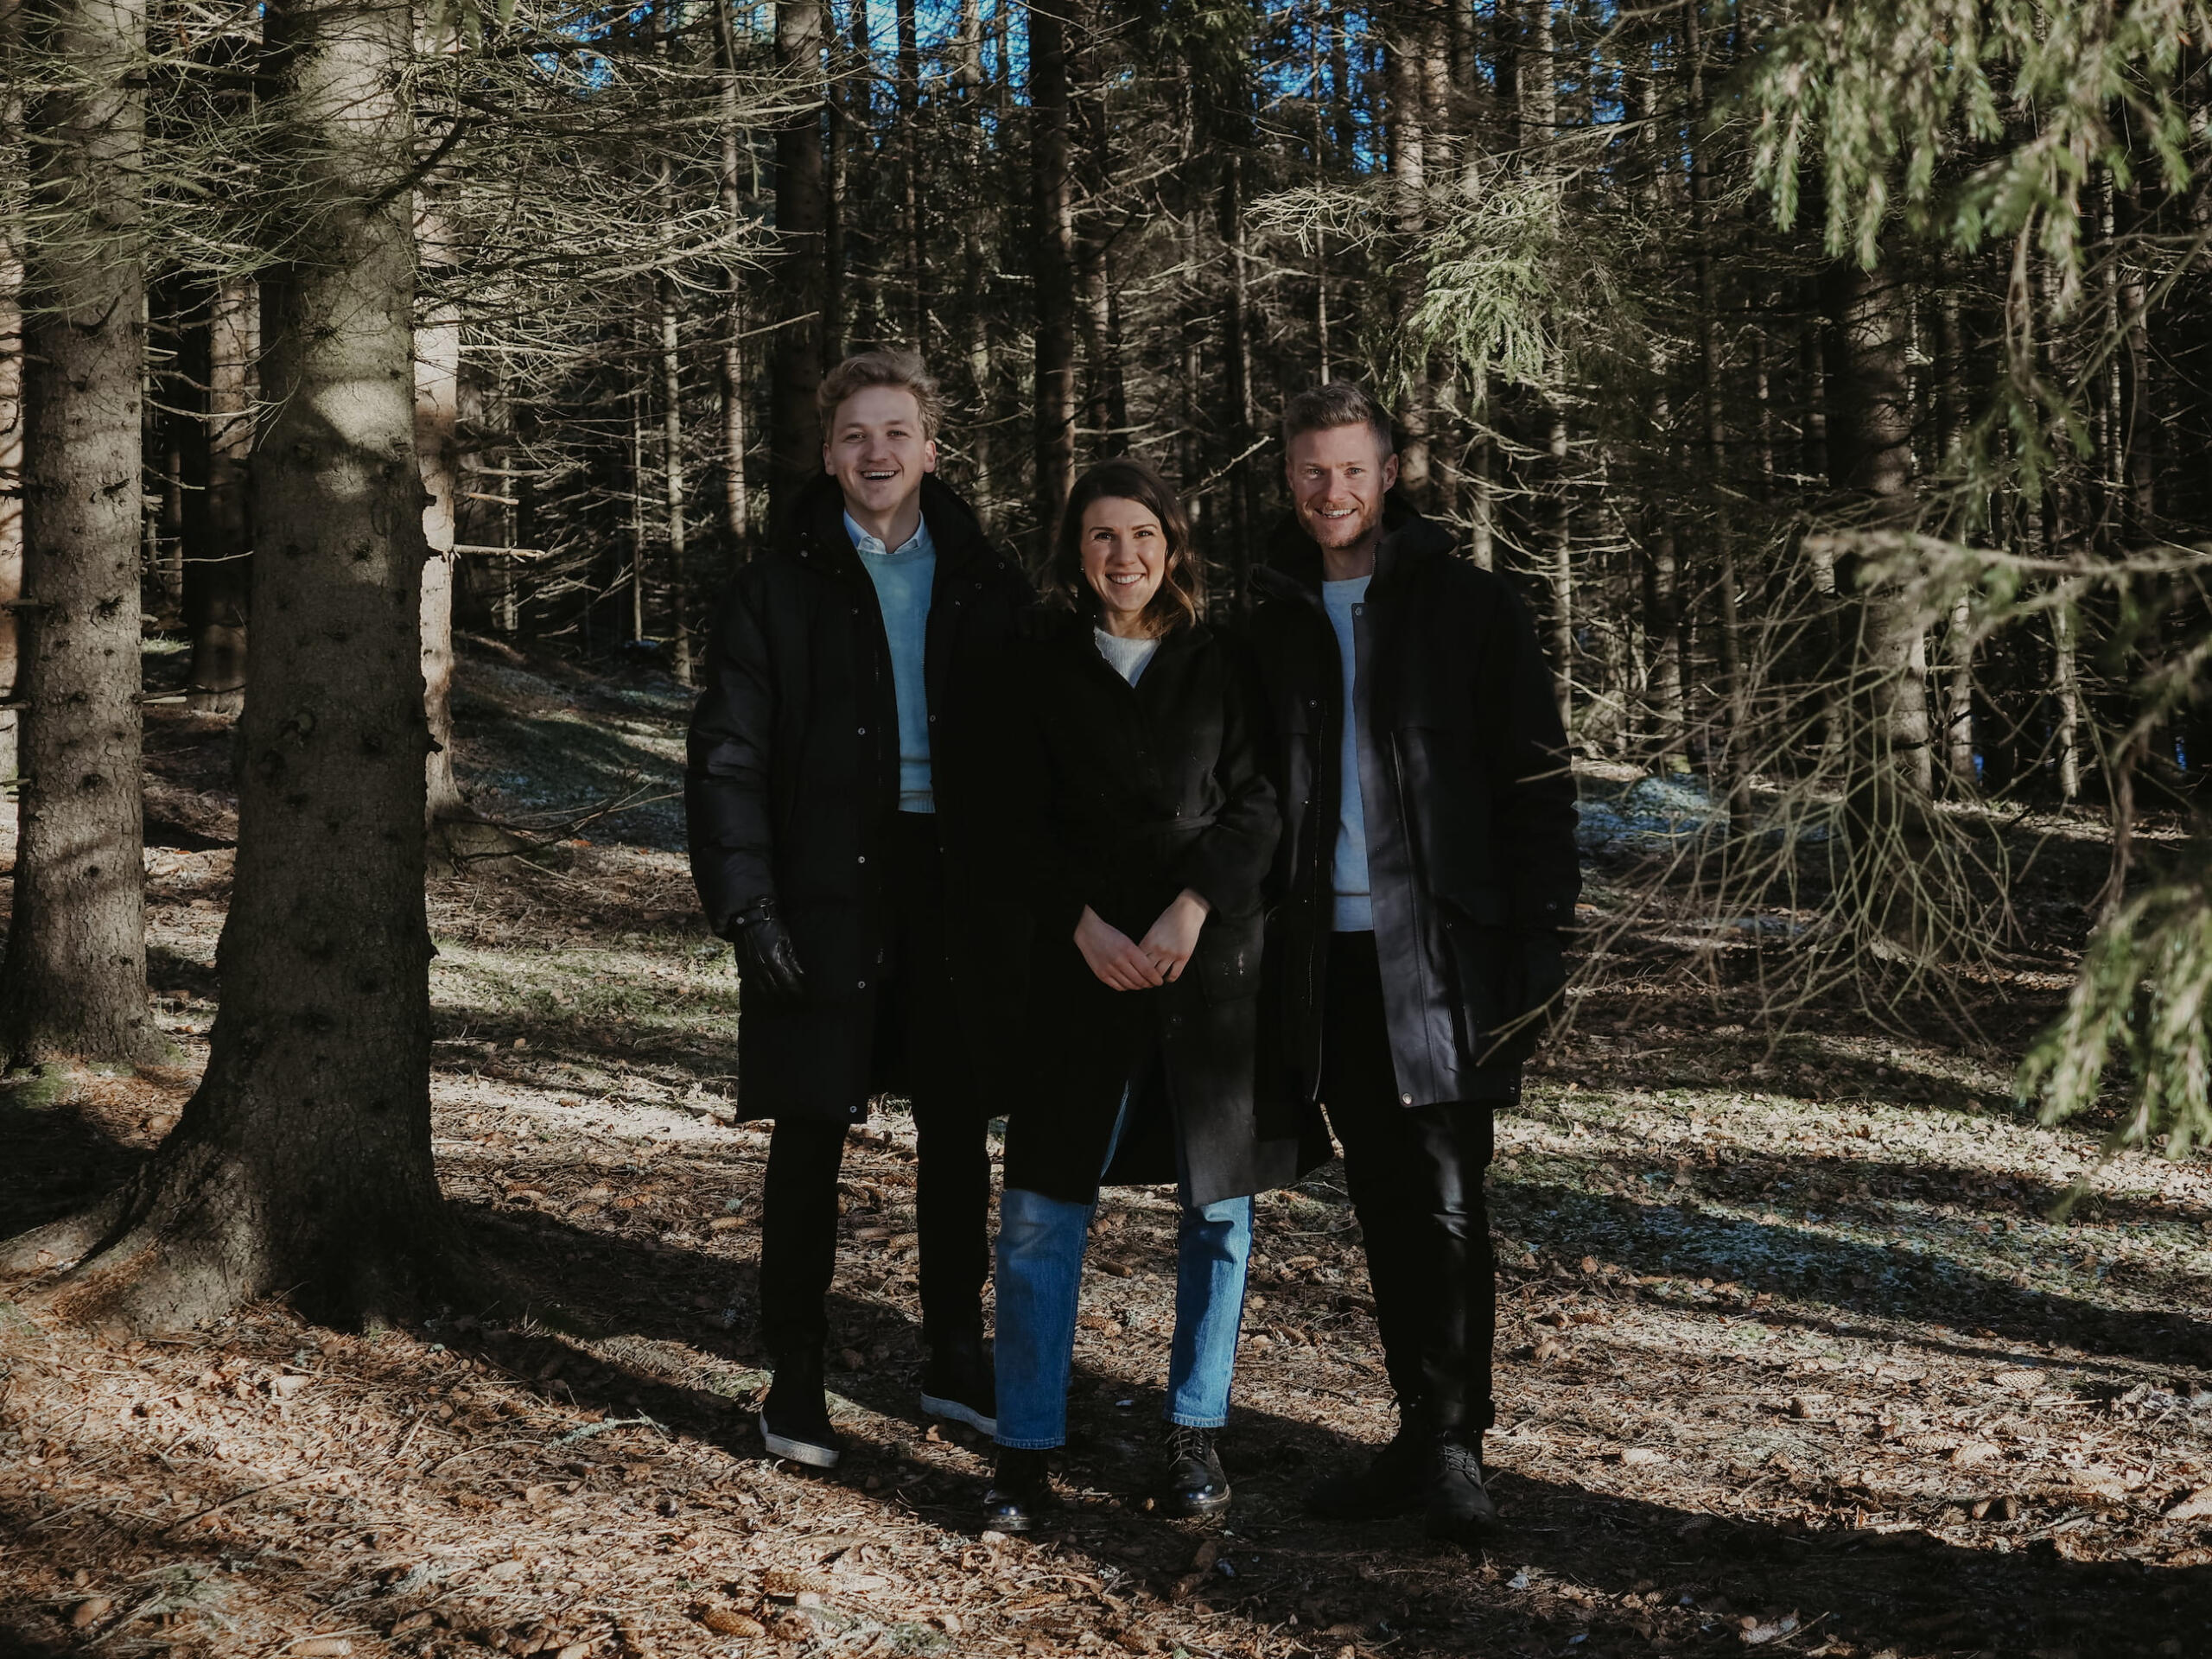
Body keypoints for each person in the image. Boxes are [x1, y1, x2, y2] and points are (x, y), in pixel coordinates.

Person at [1238, 382, 1580, 1541]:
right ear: (1288, 477)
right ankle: (1415, 1426)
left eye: (1352, 469)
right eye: (1310, 470)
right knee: (1383, 1201)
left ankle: (1454, 1443)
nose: (1332, 491)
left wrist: (1540, 950)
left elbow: (1536, 788)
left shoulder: (1471, 608)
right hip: (1315, 957)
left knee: (1445, 1198)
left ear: (1390, 475)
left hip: (1438, 953)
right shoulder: (1265, 617)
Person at [685, 351, 1033, 1468]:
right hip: (824, 880)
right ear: (825, 454)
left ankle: (953, 1353)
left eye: (896, 433)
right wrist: (749, 909)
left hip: (959, 883)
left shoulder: (988, 578)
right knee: (810, 1126)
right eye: (853, 437)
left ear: (932, 449)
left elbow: (1040, 749)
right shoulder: (774, 586)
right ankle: (796, 1372)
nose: (875, 454)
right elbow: (727, 757)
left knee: (954, 1127)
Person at [981, 458, 1325, 1532]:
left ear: (1172, 546)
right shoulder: (1036, 664)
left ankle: (1193, 1434)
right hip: (1076, 966)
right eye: (1099, 537)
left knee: (1216, 1211)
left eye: (1141, 535)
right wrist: (1082, 926)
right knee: (1041, 1215)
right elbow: (1006, 820)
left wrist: (1190, 910)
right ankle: (1025, 1445)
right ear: (1073, 552)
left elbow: (1262, 803)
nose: (1122, 556)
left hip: (1208, 966)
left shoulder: (1223, 659)